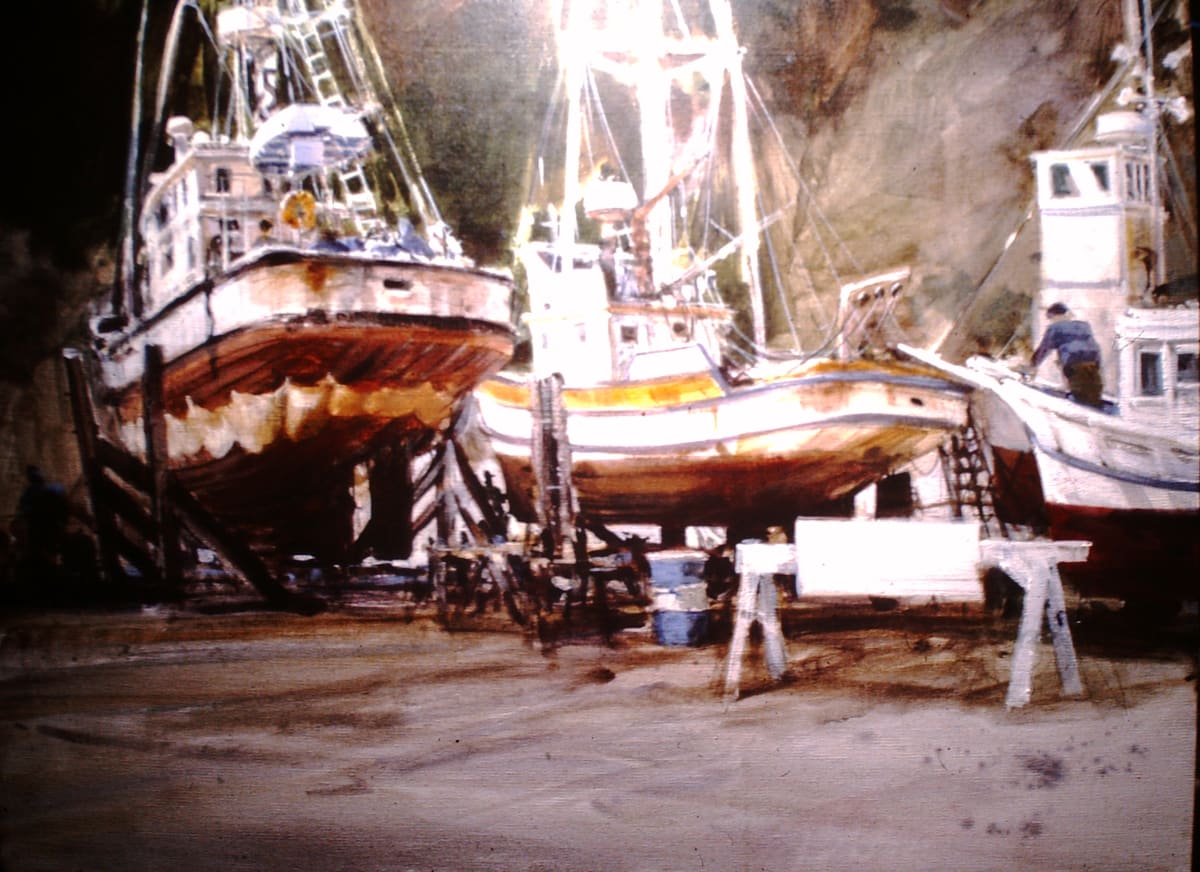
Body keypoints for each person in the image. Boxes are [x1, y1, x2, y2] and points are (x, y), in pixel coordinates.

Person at [1027, 302, 1104, 408]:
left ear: (1054, 316)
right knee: (1093, 396)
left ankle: (1068, 388)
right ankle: (1071, 388)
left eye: (1050, 317)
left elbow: (1043, 350)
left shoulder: (1055, 328)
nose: (1050, 320)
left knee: (1081, 400)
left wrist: (1032, 366)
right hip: (1094, 365)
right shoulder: (1084, 325)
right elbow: (1093, 347)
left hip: (1074, 366)